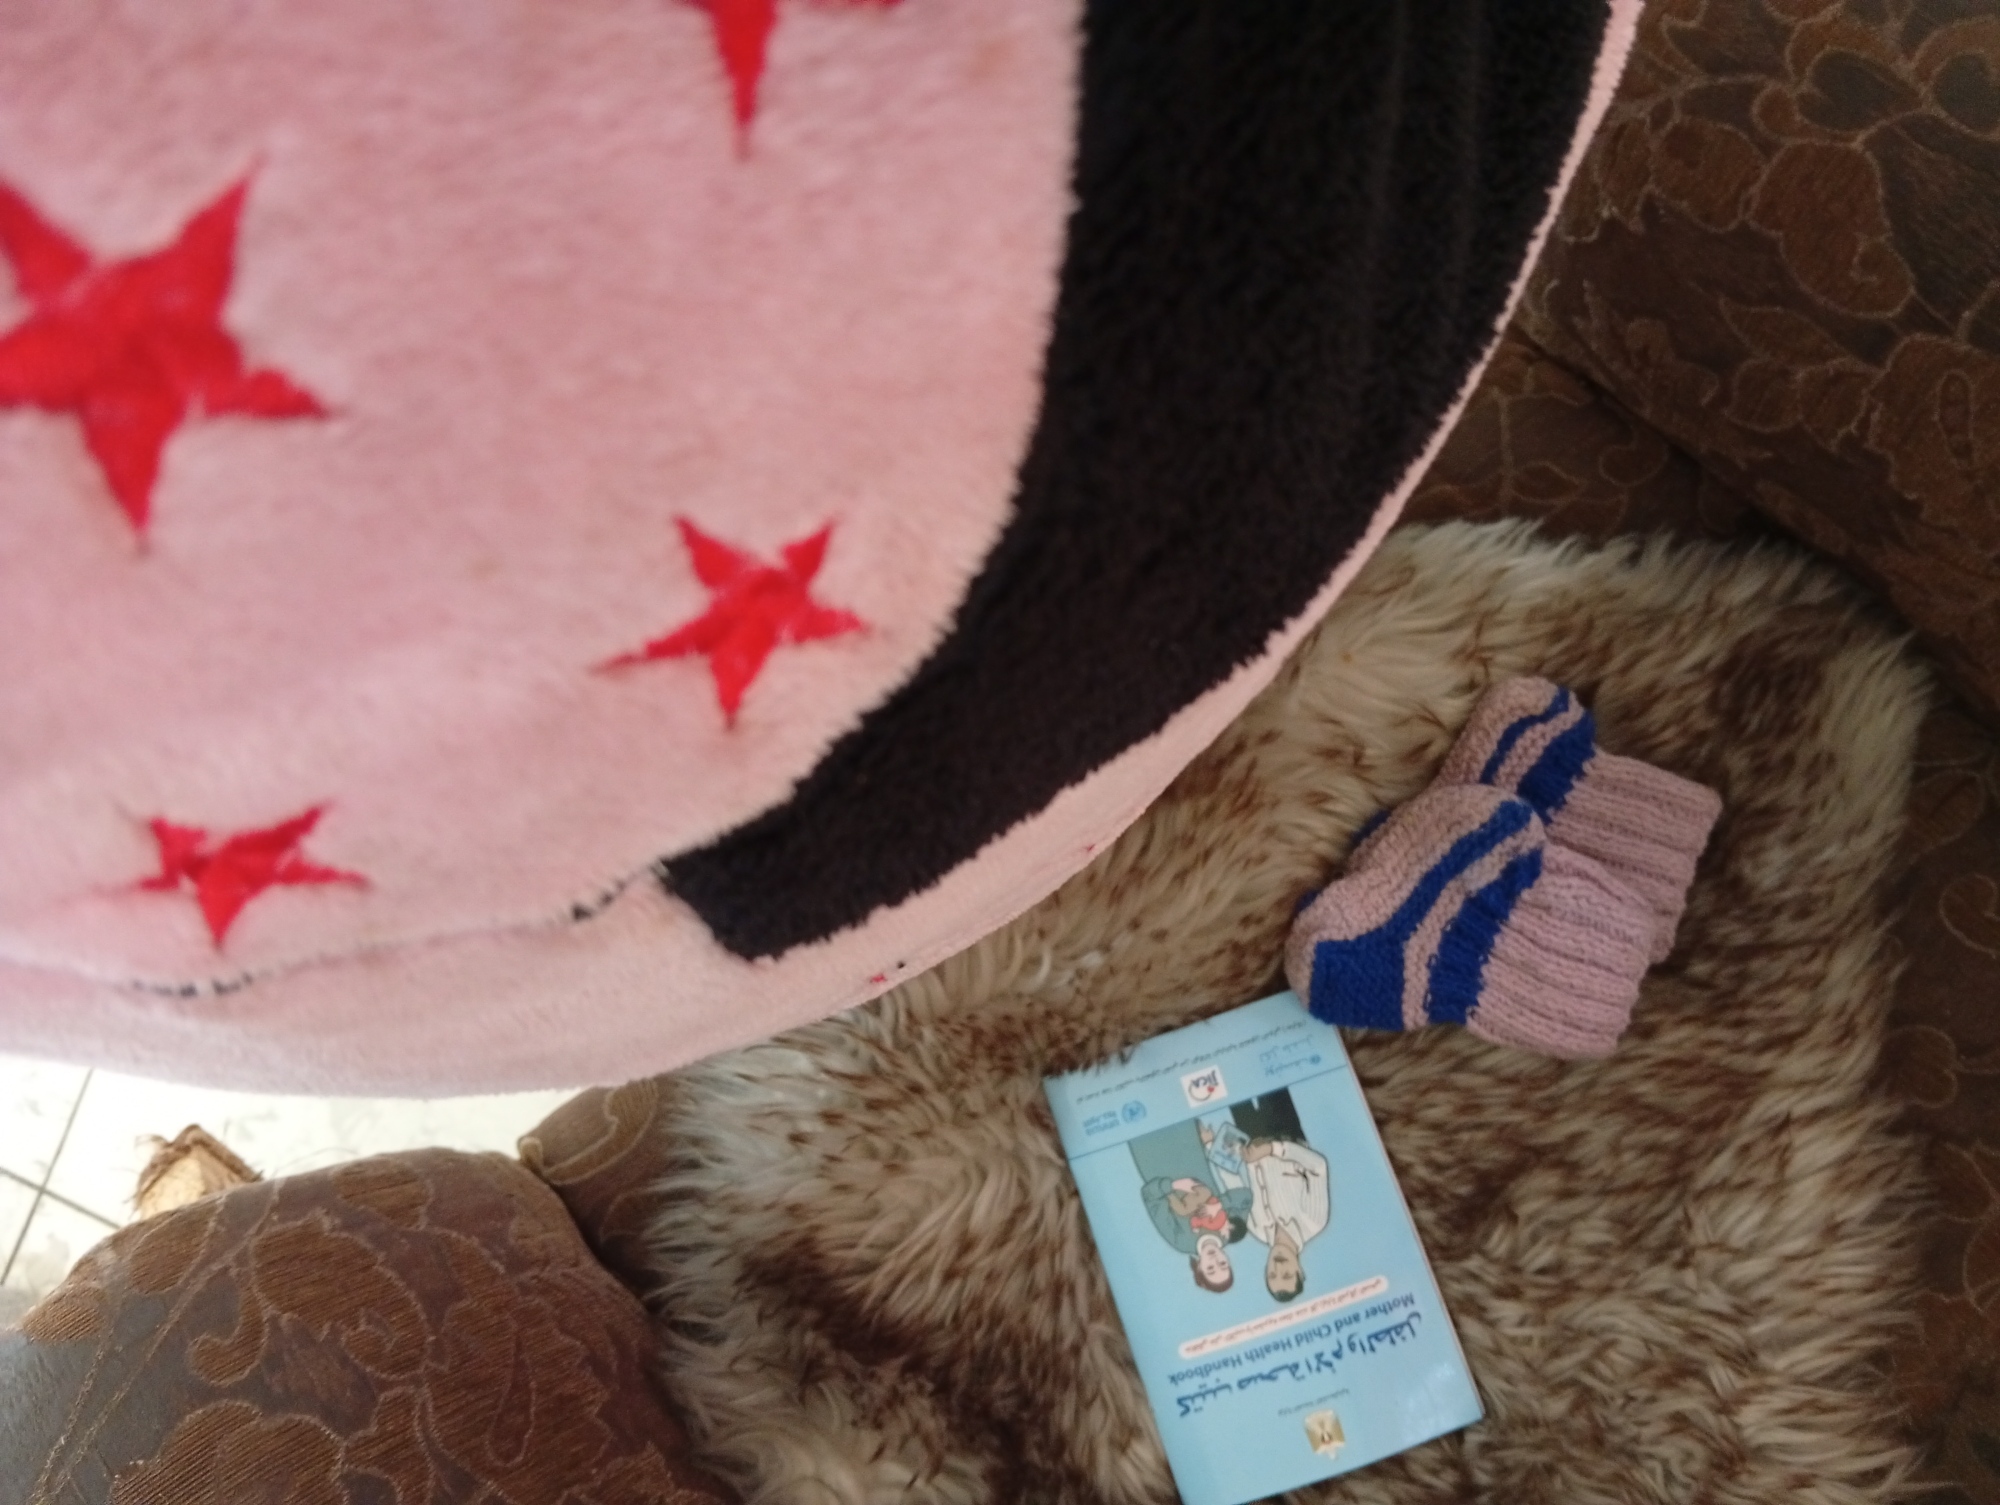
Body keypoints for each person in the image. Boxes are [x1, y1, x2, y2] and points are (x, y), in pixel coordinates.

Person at [1241, 1138, 1329, 1301]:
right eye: (1287, 1274)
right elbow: (1318, 1167)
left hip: (1248, 1139)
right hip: (1283, 1133)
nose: (1278, 1266)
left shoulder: (1256, 1229)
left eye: (1272, 1274)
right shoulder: (1314, 1222)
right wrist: (1272, 1149)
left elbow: (1237, 1184)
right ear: (1300, 1272)